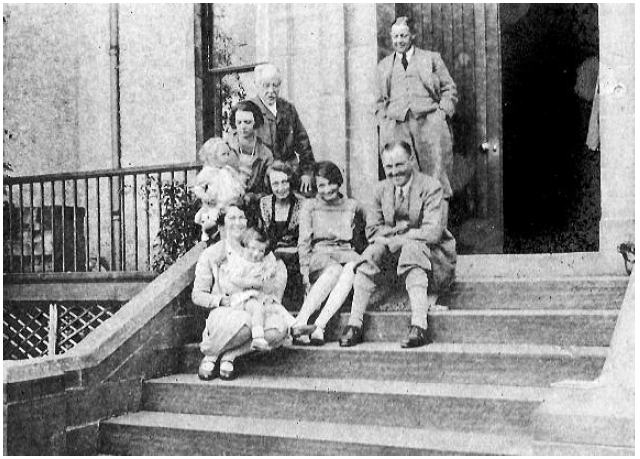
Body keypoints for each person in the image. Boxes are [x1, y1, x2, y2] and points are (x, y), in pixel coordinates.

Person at [339, 141, 456, 349]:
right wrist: (402, 235)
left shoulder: (431, 187)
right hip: (392, 258)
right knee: (371, 252)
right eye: (389, 167)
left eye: (399, 165)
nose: (394, 172)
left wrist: (399, 236)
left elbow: (432, 232)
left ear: (411, 160)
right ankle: (354, 323)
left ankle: (419, 325)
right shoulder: (379, 190)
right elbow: (372, 231)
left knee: (412, 248)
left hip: (432, 259)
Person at [192, 205, 289, 381]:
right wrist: (221, 300)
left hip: (257, 308)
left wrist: (265, 283)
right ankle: (211, 355)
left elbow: (272, 288)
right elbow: (197, 295)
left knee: (278, 329)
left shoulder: (261, 251)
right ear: (221, 225)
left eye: (241, 217)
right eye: (232, 218)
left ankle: (230, 355)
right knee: (245, 323)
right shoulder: (212, 254)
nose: (238, 223)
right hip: (227, 310)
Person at [376, 16, 458, 201]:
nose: (399, 41)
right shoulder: (383, 66)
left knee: (436, 174)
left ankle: (437, 225)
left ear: (412, 35)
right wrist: (385, 121)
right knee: (403, 174)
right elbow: (378, 101)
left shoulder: (431, 59)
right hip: (397, 127)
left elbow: (449, 89)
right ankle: (410, 225)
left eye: (403, 36)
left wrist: (441, 114)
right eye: (395, 37)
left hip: (428, 124)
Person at [292, 161, 367, 345]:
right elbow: (304, 242)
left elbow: (371, 225)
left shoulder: (352, 205)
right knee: (334, 270)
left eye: (330, 183)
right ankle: (301, 321)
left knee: (351, 268)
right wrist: (304, 272)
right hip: (321, 255)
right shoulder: (310, 206)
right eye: (321, 186)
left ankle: (319, 325)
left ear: (339, 182)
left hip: (346, 252)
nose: (326, 190)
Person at [219, 227, 315, 351]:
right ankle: (258, 337)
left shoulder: (261, 263)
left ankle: (295, 326)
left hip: (259, 297)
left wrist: (267, 275)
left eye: (261, 251)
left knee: (275, 306)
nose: (256, 254)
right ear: (245, 246)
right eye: (252, 248)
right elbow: (234, 279)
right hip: (243, 299)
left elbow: (270, 270)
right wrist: (254, 283)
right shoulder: (240, 262)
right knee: (257, 308)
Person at [251, 64, 316, 195]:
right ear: (257, 85)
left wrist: (307, 173)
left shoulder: (288, 109)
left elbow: (304, 145)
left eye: (275, 85)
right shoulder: (248, 111)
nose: (271, 90)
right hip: (262, 181)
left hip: (290, 177)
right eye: (266, 85)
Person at [259, 160, 305, 301]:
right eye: (275, 184)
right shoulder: (265, 203)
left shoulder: (302, 203)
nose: (281, 188)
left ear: (291, 182)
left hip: (296, 256)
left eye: (285, 182)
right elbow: (264, 236)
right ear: (270, 185)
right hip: (272, 256)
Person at [227, 100, 274, 221]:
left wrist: (252, 197)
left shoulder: (265, 154)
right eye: (239, 122)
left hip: (254, 210)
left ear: (255, 122)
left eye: (247, 122)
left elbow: (269, 190)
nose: (243, 127)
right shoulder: (225, 148)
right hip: (227, 207)